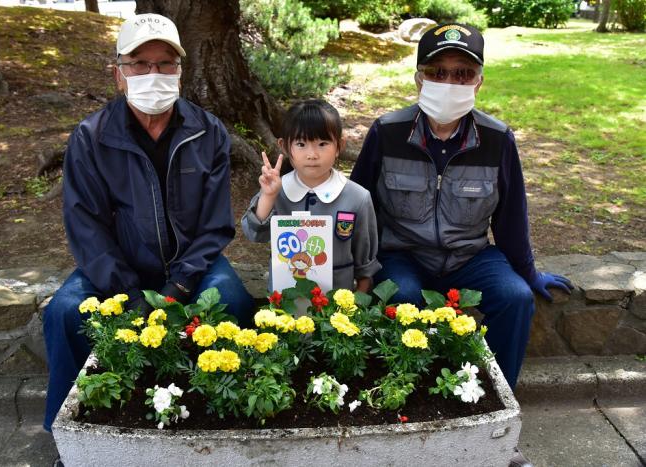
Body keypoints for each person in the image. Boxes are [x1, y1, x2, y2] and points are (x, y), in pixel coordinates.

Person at [42, 13, 254, 432]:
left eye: (164, 64)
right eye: (139, 64)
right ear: (119, 74)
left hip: (191, 268)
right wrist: (128, 293)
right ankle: (69, 433)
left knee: (233, 302)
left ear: (180, 72)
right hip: (118, 269)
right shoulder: (90, 136)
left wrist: (177, 287)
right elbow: (86, 227)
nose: (152, 73)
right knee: (65, 313)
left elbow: (215, 225)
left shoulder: (208, 132)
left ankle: (219, 414)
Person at [350, 23, 573, 390]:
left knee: (516, 298)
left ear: (479, 82)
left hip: (469, 256)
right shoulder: (387, 132)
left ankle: (492, 395)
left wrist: (529, 274)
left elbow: (511, 217)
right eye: (438, 72)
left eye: (463, 73)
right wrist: (355, 269)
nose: (450, 82)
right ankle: (410, 393)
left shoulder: (497, 139)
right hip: (402, 254)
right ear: (419, 79)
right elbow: (358, 205)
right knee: (401, 296)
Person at [242, 99, 381, 292]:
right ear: (284, 146)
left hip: (336, 306)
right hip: (284, 302)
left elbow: (365, 263)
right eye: (301, 144)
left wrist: (359, 302)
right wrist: (268, 197)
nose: (312, 154)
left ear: (339, 146)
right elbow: (253, 234)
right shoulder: (276, 190)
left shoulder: (357, 197)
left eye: (322, 143)